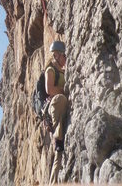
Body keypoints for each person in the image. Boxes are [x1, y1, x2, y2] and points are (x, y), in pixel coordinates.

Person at [45, 40, 68, 184]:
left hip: (61, 106)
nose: (66, 59)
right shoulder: (50, 70)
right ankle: (58, 138)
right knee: (60, 98)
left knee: (59, 158)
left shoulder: (62, 71)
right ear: (57, 55)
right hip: (55, 105)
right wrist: (65, 90)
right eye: (64, 56)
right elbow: (50, 90)